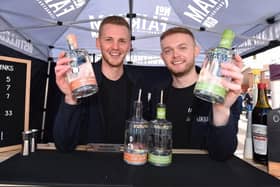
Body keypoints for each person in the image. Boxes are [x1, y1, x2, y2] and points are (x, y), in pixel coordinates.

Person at [53, 16, 147, 152]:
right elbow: (63, 144)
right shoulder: (81, 81)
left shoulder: (140, 85)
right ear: (98, 43)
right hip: (89, 168)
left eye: (122, 41)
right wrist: (70, 97)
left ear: (129, 46)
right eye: (109, 40)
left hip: (127, 166)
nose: (115, 47)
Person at [152, 27, 243, 161]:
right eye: (168, 50)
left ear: (196, 51)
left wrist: (221, 109)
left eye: (182, 47)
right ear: (162, 57)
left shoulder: (223, 93)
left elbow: (223, 153)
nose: (175, 55)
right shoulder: (157, 94)